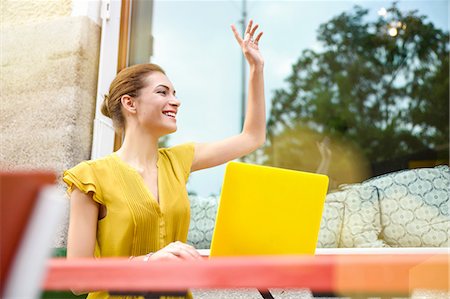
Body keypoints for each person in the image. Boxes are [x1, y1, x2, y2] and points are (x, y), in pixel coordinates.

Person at [63, 20, 265, 299]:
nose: (176, 101)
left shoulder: (178, 161)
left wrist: (256, 69)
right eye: (162, 92)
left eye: (175, 93)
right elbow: (77, 279)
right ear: (129, 103)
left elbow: (251, 138)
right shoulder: (89, 178)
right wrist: (147, 263)